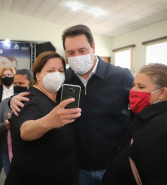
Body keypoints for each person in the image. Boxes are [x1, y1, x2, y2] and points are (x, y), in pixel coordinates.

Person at [10, 24, 134, 185]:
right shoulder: (63, 79)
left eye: (82, 50)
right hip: (77, 169)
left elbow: (142, 107)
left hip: (113, 166)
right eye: (71, 52)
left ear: (93, 47)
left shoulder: (121, 76)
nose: (77, 56)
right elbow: (40, 95)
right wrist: (12, 100)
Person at [4, 51, 81, 185]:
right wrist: (49, 121)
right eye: (50, 70)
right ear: (38, 75)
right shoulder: (28, 100)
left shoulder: (57, 98)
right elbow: (25, 130)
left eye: (61, 70)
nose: (56, 74)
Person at [102, 63, 167, 185]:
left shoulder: (162, 127)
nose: (133, 91)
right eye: (134, 85)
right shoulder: (142, 117)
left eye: (141, 87)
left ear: (162, 93)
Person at [0, 69, 32, 175]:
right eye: (15, 83)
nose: (17, 87)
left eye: (21, 84)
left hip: (33, 156)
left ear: (31, 83)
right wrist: (5, 126)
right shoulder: (6, 102)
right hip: (9, 154)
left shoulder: (38, 102)